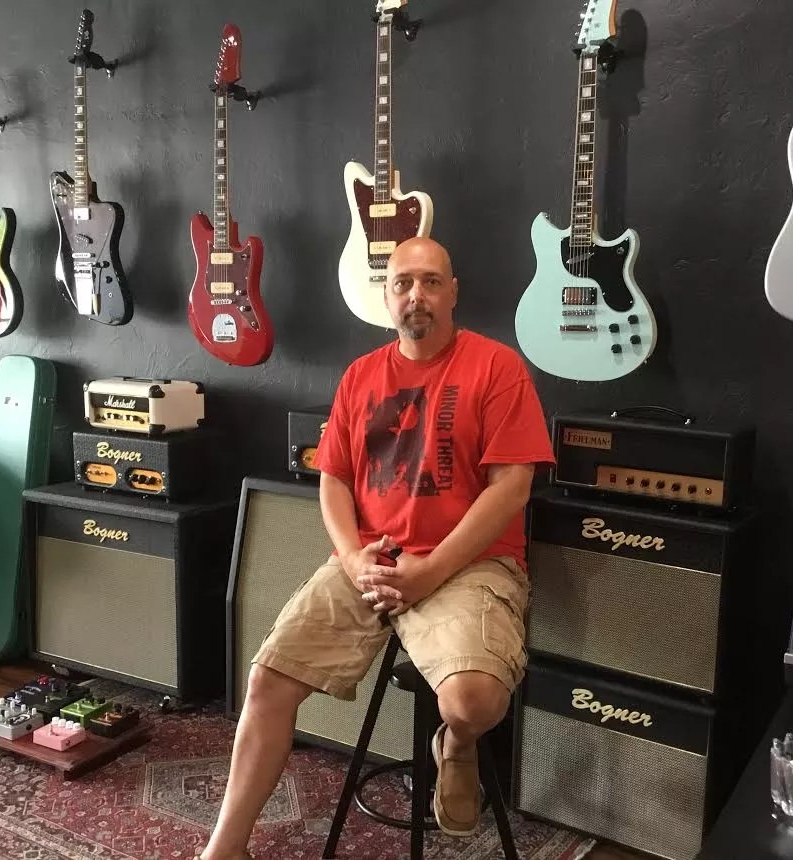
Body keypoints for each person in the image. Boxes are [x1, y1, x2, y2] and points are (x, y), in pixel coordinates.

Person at [200, 237, 555, 860]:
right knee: (266, 681)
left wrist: (430, 571)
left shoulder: (497, 367)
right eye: (402, 283)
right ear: (387, 297)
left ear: (453, 292)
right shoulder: (361, 375)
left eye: (431, 281)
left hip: (468, 564)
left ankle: (457, 746)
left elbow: (511, 488)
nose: (416, 294)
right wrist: (352, 556)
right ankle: (225, 849)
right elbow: (333, 480)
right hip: (373, 560)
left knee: (473, 701)